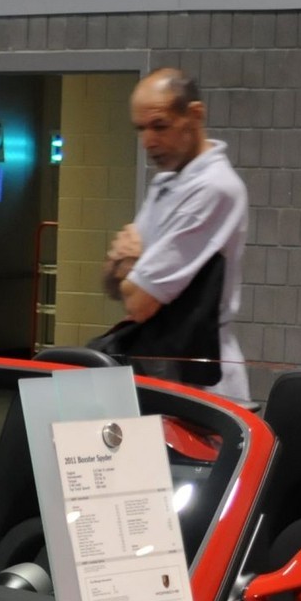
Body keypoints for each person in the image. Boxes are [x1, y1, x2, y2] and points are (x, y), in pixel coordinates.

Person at [102, 68, 252, 403]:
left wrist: (128, 261)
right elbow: (113, 284)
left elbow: (139, 302)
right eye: (140, 129)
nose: (148, 142)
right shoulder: (166, 182)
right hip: (158, 365)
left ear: (195, 115)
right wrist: (130, 269)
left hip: (200, 376)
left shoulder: (215, 188)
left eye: (160, 126)